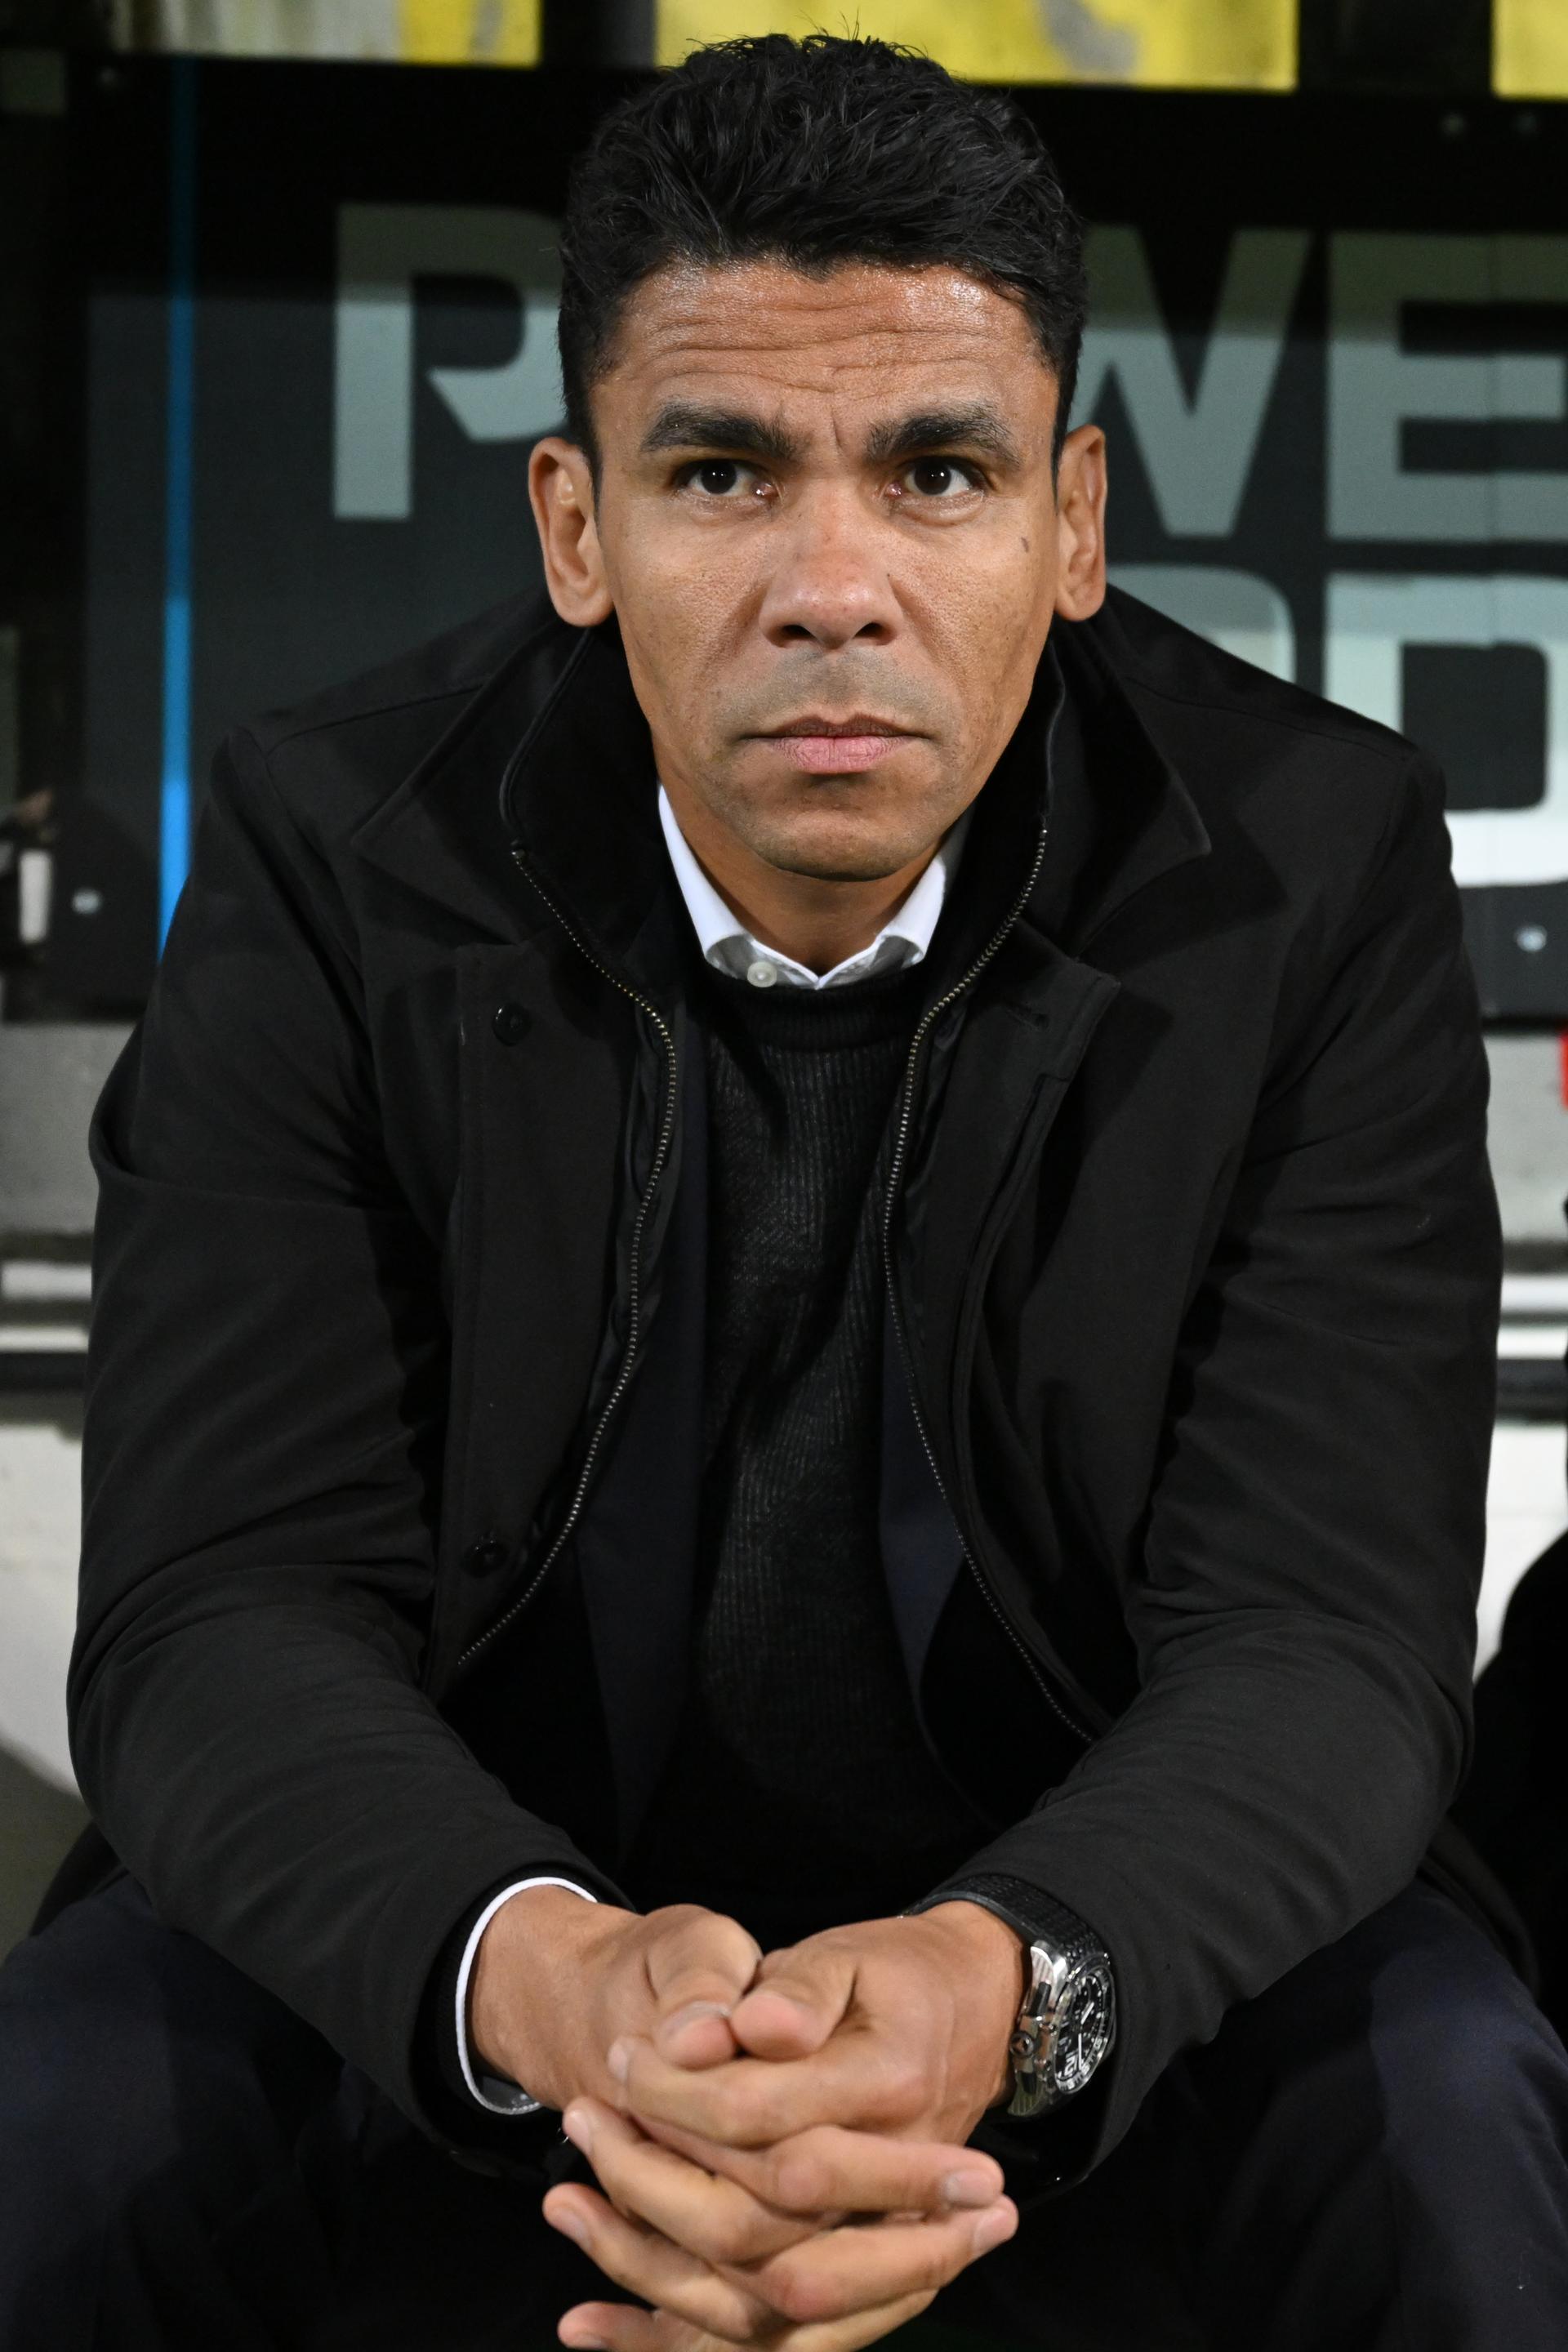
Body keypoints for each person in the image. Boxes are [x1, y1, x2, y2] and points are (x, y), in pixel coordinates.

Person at [2, 30, 1566, 2352]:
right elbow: (222, 1604)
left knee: (1443, 2110)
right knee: (63, 2116)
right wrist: (555, 1981)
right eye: (723, 472)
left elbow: (1322, 1637)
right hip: (494, 1928)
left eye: (937, 472)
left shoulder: (1308, 869)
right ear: (575, 527)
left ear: (1073, 525)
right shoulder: (332, 854)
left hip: (1082, 1940)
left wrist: (997, 1986)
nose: (834, 586)